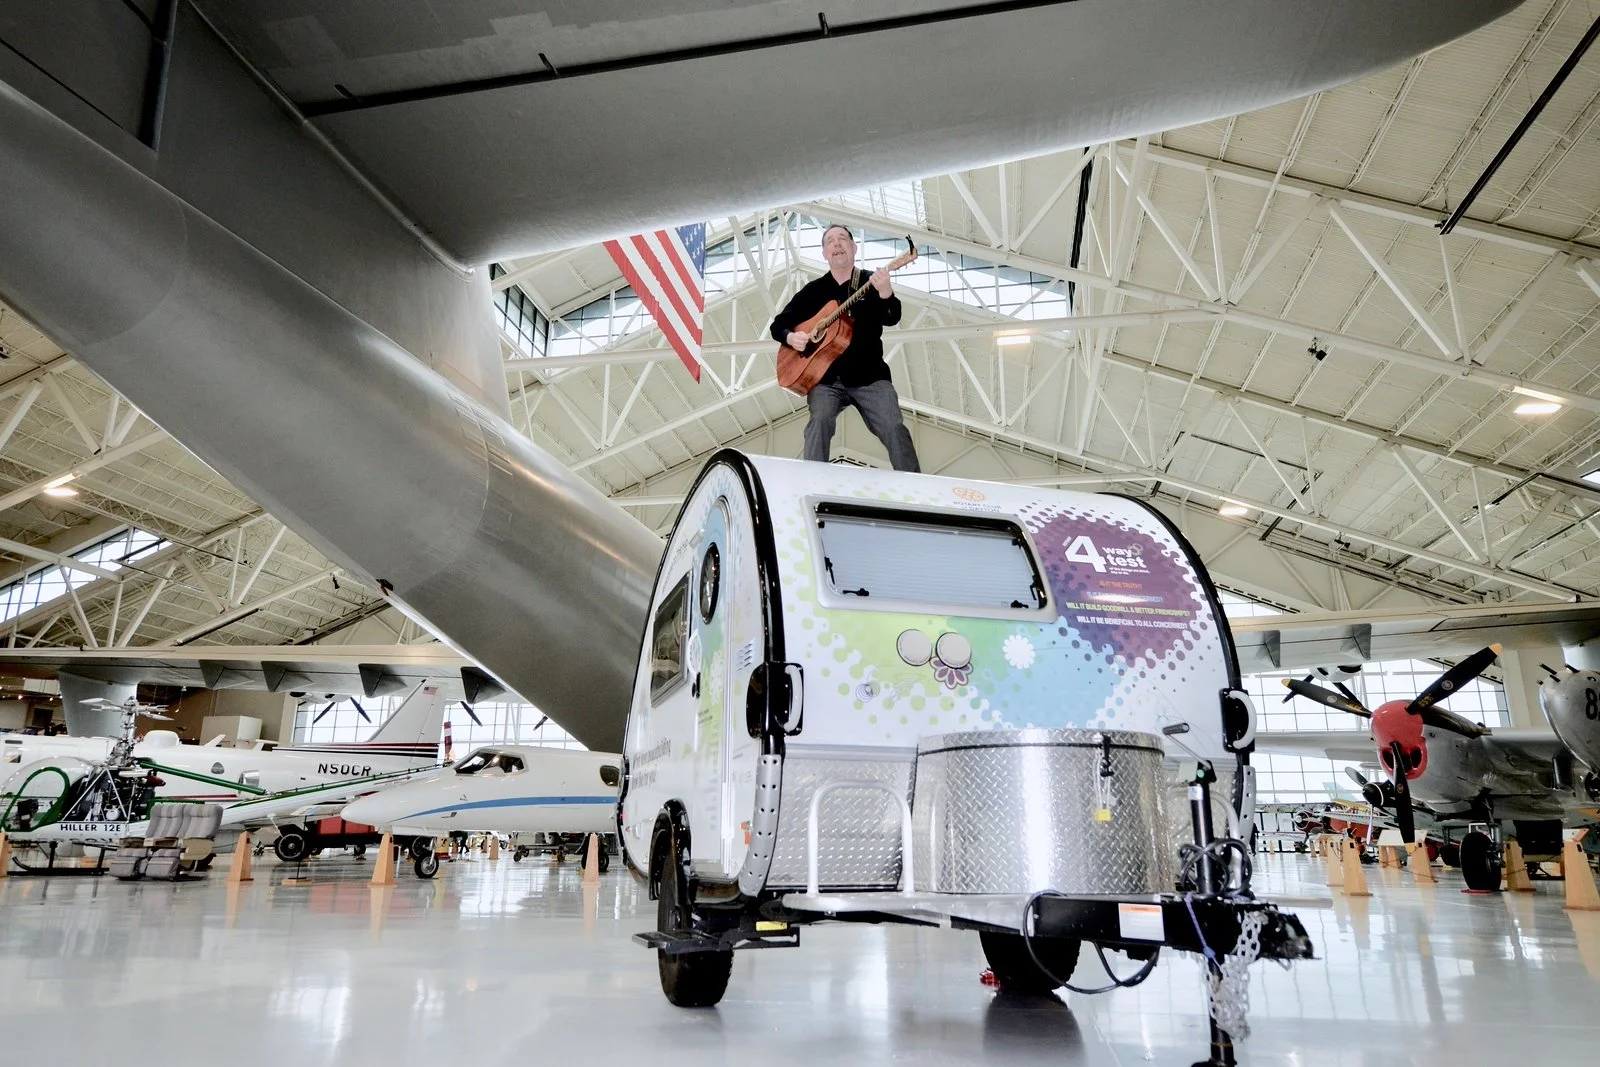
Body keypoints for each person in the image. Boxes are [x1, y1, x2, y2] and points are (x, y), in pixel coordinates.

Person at [769, 224, 920, 471]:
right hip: (825, 379)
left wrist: (885, 291)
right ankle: (813, 482)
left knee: (893, 426)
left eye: (842, 238)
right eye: (830, 240)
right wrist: (791, 337)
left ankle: (914, 484)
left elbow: (892, 317)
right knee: (819, 421)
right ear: (824, 253)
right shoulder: (813, 291)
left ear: (853, 247)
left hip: (870, 376)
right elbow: (778, 325)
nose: (837, 243)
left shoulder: (871, 282)